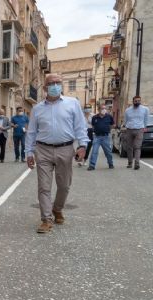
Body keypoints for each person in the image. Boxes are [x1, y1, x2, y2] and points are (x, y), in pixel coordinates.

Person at [25, 73, 89, 233]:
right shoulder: (37, 109)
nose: (55, 85)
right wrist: (29, 153)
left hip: (65, 149)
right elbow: (31, 132)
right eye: (51, 83)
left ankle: (57, 208)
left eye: (58, 82)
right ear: (45, 88)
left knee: (64, 186)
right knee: (44, 187)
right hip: (43, 150)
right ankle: (46, 219)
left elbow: (80, 126)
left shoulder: (72, 103)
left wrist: (82, 145)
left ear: (61, 85)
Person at [122, 95, 150, 170]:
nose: (137, 102)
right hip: (129, 129)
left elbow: (146, 119)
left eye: (139, 101)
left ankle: (137, 163)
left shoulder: (145, 109)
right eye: (136, 101)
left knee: (137, 147)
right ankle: (130, 162)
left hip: (139, 129)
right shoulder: (128, 110)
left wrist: (145, 127)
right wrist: (124, 127)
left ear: (140, 101)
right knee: (129, 147)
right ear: (133, 101)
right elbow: (125, 120)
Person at [87, 104, 115, 170]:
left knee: (108, 152)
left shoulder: (109, 116)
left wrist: (107, 129)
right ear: (98, 110)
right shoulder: (94, 117)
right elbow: (93, 126)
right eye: (102, 108)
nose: (104, 110)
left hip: (105, 137)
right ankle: (92, 165)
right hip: (97, 137)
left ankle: (110, 163)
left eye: (105, 108)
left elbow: (112, 124)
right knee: (94, 151)